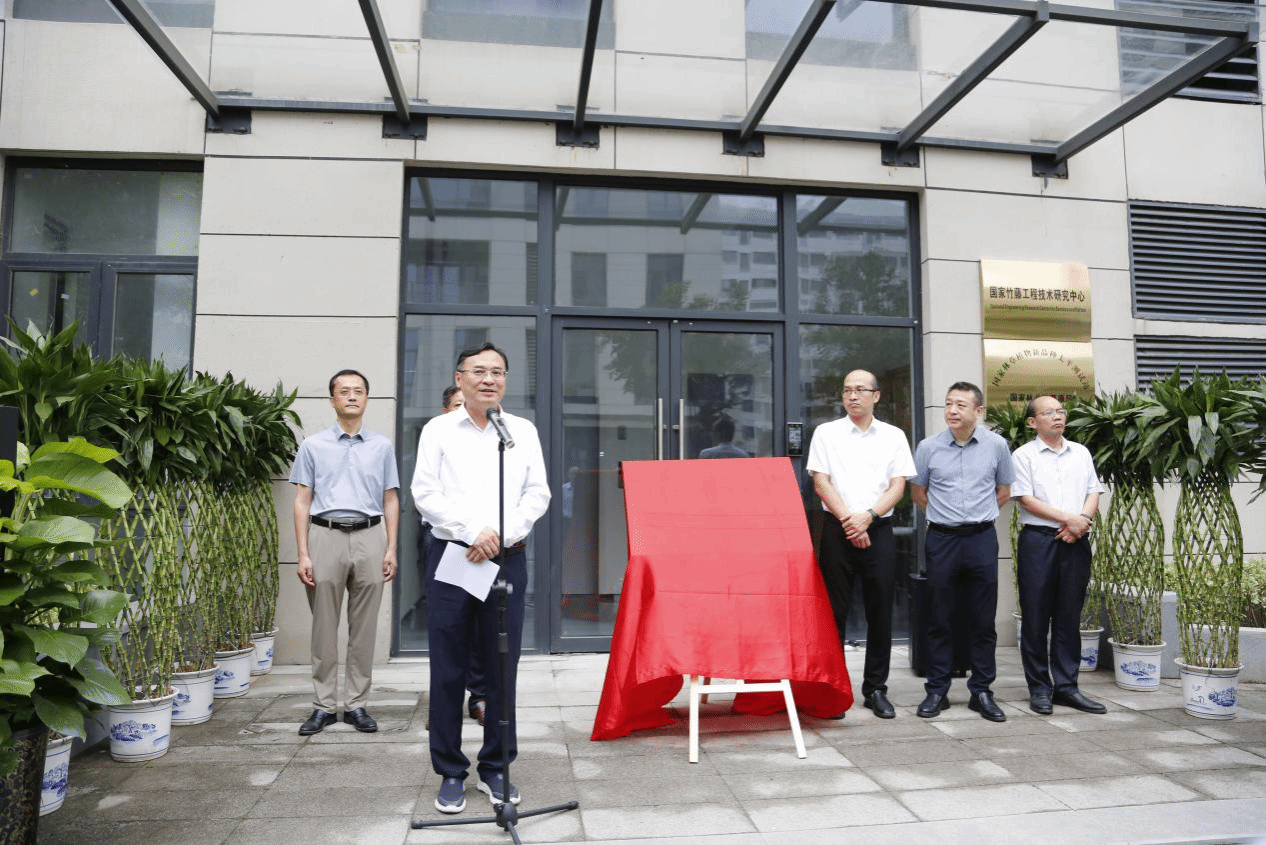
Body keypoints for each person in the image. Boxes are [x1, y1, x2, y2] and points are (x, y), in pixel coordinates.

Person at [411, 342, 550, 815]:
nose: (489, 379)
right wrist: (473, 532)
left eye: (498, 372)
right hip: (453, 555)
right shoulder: (438, 430)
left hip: (507, 557)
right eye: (479, 371)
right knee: (448, 667)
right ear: (460, 378)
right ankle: (450, 770)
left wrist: (500, 535)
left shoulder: (521, 431)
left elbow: (537, 493)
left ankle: (496, 766)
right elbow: (425, 492)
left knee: (501, 666)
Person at [289, 369, 399, 736]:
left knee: (363, 629)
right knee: (324, 627)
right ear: (332, 400)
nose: (352, 396)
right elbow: (301, 500)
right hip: (325, 535)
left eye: (359, 391)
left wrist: (391, 548)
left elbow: (390, 498)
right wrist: (303, 553)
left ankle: (356, 705)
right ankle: (323, 706)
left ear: (367, 399)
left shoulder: (382, 447)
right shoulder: (313, 446)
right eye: (344, 391)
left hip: (370, 537)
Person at [806, 369, 915, 719]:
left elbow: (898, 487)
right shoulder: (826, 433)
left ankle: (876, 689)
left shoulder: (894, 436)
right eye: (846, 391)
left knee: (879, 612)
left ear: (876, 396)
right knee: (834, 612)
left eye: (860, 390)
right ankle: (835, 690)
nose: (852, 396)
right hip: (837, 530)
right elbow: (821, 483)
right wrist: (851, 522)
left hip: (877, 528)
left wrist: (867, 517)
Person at [910, 381, 1014, 723]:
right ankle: (937, 689)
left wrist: (977, 517)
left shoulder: (997, 446)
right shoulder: (928, 447)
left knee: (983, 619)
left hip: (981, 538)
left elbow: (1003, 491)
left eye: (960, 405)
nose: (952, 411)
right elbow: (919, 493)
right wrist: (946, 518)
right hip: (942, 539)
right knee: (939, 616)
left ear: (979, 411)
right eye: (948, 404)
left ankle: (981, 690)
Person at [1011, 395, 1107, 715]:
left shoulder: (1080, 452)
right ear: (1032, 422)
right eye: (1049, 412)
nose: (1057, 416)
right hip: (1039, 541)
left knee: (1069, 617)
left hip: (1077, 539)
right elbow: (1025, 499)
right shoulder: (1023, 456)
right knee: (1035, 618)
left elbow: (1093, 490)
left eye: (1061, 411)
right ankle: (1039, 688)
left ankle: (1067, 687)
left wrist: (1082, 521)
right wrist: (1069, 519)